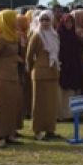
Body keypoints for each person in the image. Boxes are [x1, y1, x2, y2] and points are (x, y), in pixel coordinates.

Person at [0, 9, 23, 148]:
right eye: (13, 18)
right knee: (0, 106)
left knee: (11, 106)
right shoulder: (0, 38)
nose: (16, 21)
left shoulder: (13, 36)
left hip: (13, 75)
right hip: (1, 76)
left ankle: (8, 133)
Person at [26, 10, 62, 140]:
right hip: (40, 73)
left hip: (53, 72)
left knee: (51, 104)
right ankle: (37, 130)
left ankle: (50, 129)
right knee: (39, 103)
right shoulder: (36, 35)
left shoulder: (54, 35)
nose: (45, 23)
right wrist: (31, 69)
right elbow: (29, 55)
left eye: (47, 20)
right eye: (42, 20)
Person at [57, 13, 83, 119]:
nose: (69, 24)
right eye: (67, 22)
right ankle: (65, 114)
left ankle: (76, 113)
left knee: (75, 88)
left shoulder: (74, 35)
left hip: (74, 65)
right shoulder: (59, 35)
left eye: (71, 22)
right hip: (64, 65)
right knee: (65, 90)